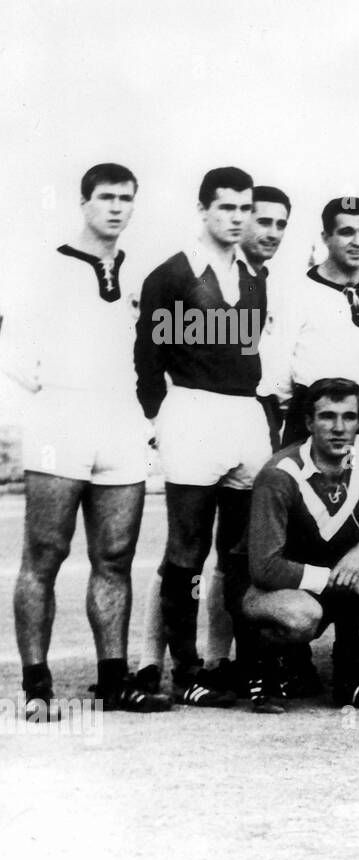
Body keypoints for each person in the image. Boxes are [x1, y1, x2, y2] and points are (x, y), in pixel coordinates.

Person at [3, 163, 170, 717]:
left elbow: (153, 346)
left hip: (120, 417)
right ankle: (36, 685)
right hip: (61, 415)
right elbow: (16, 350)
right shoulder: (48, 267)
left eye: (126, 198)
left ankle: (115, 680)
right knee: (45, 555)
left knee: (115, 556)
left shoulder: (141, 272)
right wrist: (51, 394)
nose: (116, 207)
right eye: (105, 197)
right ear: (83, 202)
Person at [137, 184, 295, 697]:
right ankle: (183, 671)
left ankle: (233, 664)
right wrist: (158, 420)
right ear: (202, 209)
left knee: (242, 550)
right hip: (191, 409)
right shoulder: (171, 275)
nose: (237, 218)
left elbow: (246, 355)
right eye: (226, 207)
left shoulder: (254, 276)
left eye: (245, 208)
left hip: (244, 414)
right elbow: (148, 362)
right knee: (187, 546)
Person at [241, 378, 359, 713]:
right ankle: (262, 664)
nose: (339, 428)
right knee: (302, 616)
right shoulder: (281, 473)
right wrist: (347, 580)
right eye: (327, 416)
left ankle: (355, 673)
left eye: (349, 417)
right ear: (309, 422)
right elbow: (265, 568)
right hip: (276, 589)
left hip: (338, 576)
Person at [273, 197, 359, 459]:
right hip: (313, 415)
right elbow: (279, 368)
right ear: (326, 237)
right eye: (347, 232)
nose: (358, 242)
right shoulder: (297, 290)